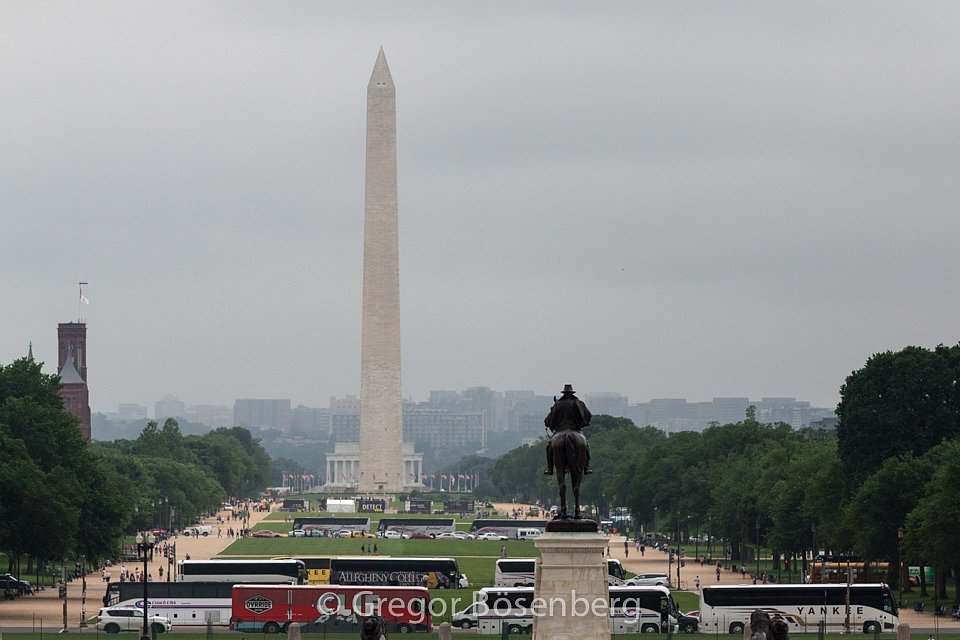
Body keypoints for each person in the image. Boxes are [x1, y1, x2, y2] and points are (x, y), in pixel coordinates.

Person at [543, 385, 593, 475]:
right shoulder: (579, 403)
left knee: (549, 447)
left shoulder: (558, 404)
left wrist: (550, 424)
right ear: (572, 393)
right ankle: (586, 467)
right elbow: (588, 415)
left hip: (561, 430)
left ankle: (549, 468)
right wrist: (583, 423)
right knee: (585, 445)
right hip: (575, 430)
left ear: (564, 394)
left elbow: (548, 420)